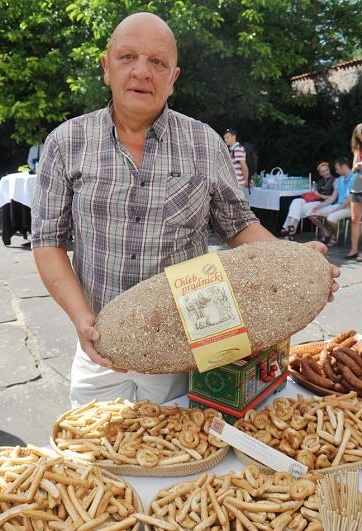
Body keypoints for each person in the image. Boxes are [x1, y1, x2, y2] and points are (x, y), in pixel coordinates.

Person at [31, 12, 338, 408]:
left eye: (157, 62)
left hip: (190, 345)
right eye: (128, 57)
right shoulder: (65, 143)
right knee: (92, 457)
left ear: (173, 77)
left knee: (186, 457)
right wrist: (79, 316)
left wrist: (293, 260)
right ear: (107, 68)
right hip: (101, 348)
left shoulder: (204, 143)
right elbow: (47, 242)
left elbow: (239, 226)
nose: (142, 72)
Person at [279, 161, 335, 240]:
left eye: (327, 170)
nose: (326, 172)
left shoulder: (334, 181)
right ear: (320, 174)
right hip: (314, 201)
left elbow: (332, 198)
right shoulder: (321, 181)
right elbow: (315, 193)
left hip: (323, 203)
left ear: (329, 169)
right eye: (323, 171)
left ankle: (289, 231)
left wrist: (318, 194)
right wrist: (313, 191)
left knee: (298, 209)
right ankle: (291, 226)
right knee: (296, 201)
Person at [309, 157, 354, 246]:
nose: (336, 172)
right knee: (311, 213)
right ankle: (327, 232)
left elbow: (347, 202)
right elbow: (332, 198)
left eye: (337, 169)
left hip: (350, 207)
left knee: (331, 218)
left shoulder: (354, 178)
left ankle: (334, 236)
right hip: (339, 205)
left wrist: (332, 212)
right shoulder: (340, 179)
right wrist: (319, 207)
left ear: (344, 167)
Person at [348, 123, 362, 261]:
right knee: (354, 220)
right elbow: (353, 168)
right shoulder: (357, 149)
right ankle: (354, 249)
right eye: (358, 136)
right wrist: (358, 165)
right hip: (356, 187)